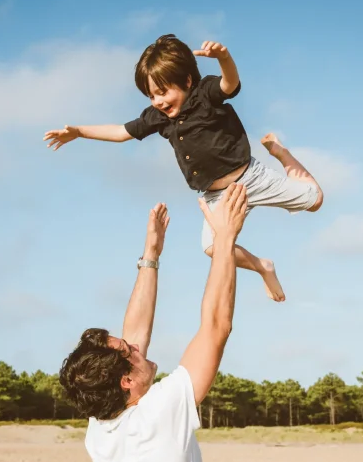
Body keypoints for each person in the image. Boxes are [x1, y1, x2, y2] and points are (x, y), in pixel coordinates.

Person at [43, 34, 324, 303]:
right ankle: (264, 266)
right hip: (217, 196)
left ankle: (282, 154)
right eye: (152, 96)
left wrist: (224, 57)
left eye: (163, 92)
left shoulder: (205, 94)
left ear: (188, 80)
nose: (159, 102)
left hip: (251, 177)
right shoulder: (158, 117)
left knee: (315, 201)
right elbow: (120, 132)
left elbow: (230, 83)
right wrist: (79, 131)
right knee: (213, 249)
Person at [58, 183, 248, 462]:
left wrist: (151, 256)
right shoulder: (158, 414)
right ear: (126, 382)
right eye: (128, 351)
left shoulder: (100, 429)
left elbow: (133, 334)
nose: (135, 346)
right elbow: (216, 327)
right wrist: (225, 238)